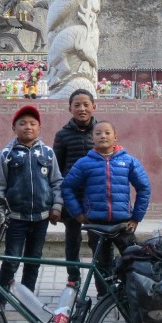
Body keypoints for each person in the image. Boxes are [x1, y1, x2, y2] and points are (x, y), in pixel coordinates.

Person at [61, 120, 151, 282]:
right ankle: (104, 296)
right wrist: (78, 213)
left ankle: (129, 295)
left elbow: (144, 187)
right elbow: (67, 187)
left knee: (133, 260)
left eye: (107, 133)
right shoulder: (84, 163)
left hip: (123, 223)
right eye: (98, 133)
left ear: (115, 137)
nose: (103, 136)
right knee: (102, 264)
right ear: (92, 138)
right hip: (96, 223)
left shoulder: (129, 161)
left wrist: (136, 217)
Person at [0, 105, 63, 295]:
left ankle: (27, 299)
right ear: (14, 128)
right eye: (22, 123)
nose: (28, 127)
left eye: (32, 123)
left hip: (42, 218)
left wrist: (57, 206)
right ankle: (0, 299)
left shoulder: (48, 153)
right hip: (15, 218)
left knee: (33, 260)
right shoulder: (6, 154)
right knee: (11, 260)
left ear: (39, 128)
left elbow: (57, 182)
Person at [53, 88, 97, 283]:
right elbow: (56, 168)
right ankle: (73, 279)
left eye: (86, 104)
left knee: (98, 242)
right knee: (72, 240)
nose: (82, 109)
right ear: (70, 108)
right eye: (77, 105)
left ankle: (104, 283)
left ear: (93, 107)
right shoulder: (62, 135)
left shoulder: (100, 133)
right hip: (71, 197)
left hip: (96, 197)